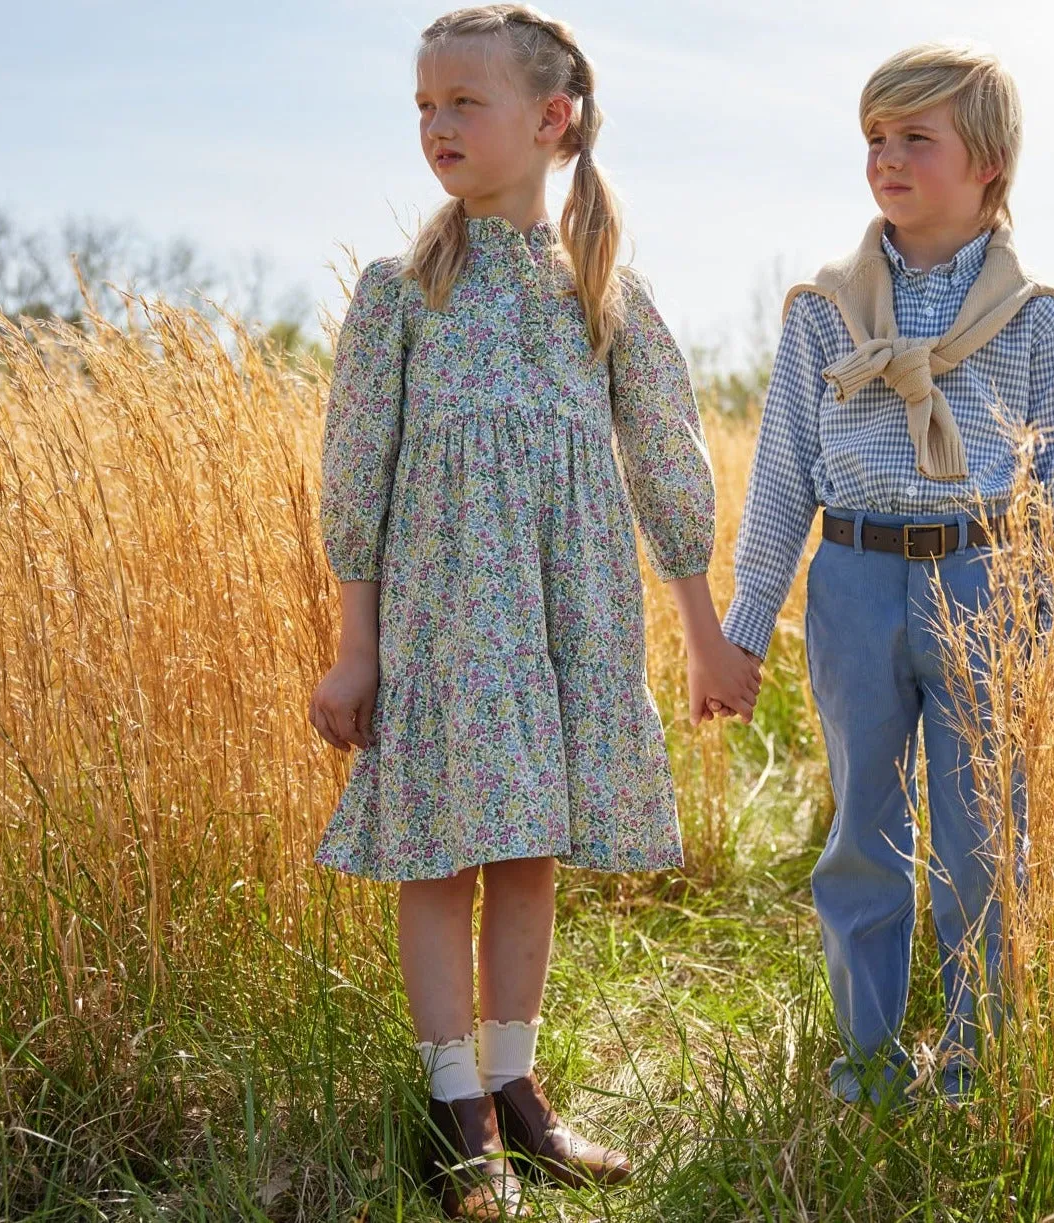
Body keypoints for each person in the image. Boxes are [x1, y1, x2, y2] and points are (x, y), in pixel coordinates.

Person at [307, 6, 760, 1215]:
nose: (437, 126)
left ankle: (519, 1092)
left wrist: (702, 630)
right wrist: (354, 653)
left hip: (570, 613)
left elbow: (666, 465)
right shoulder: (401, 291)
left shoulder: (604, 291)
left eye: (465, 103)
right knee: (440, 849)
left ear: (551, 121)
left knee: (526, 850)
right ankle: (456, 1115)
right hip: (445, 618)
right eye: (423, 107)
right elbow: (354, 482)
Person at [723, 41, 1054, 1108]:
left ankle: (980, 1057)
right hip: (853, 580)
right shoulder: (823, 310)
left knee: (984, 835)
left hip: (985, 583)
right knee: (861, 832)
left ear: (987, 164)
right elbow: (785, 470)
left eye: (913, 139)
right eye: (873, 139)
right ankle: (869, 1062)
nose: (885, 157)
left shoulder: (1031, 317)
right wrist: (748, 620)